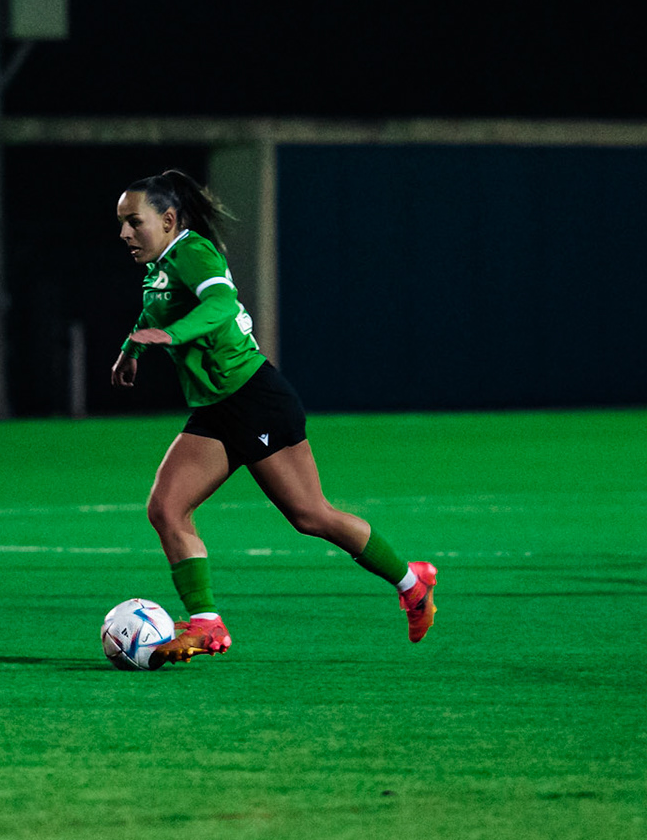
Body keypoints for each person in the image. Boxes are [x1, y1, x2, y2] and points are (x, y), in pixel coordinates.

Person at [108, 170, 438, 664]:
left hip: (254, 398)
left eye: (134, 222)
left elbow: (219, 304)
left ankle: (413, 585)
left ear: (169, 219)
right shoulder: (161, 268)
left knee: (311, 516)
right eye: (121, 224)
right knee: (166, 508)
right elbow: (152, 314)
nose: (125, 233)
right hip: (214, 410)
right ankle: (207, 623)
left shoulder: (193, 252)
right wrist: (129, 350)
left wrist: (172, 337)